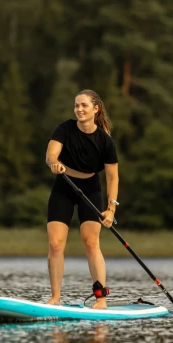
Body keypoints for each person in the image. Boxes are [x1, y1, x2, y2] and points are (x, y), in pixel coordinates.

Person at [45, 89, 119, 309]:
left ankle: (100, 299)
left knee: (91, 242)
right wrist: (54, 164)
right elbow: (50, 155)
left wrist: (111, 209)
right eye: (76, 105)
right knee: (55, 244)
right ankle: (55, 298)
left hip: (90, 188)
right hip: (64, 185)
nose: (79, 109)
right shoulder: (65, 129)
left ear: (95, 109)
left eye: (84, 105)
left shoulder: (105, 141)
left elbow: (112, 177)